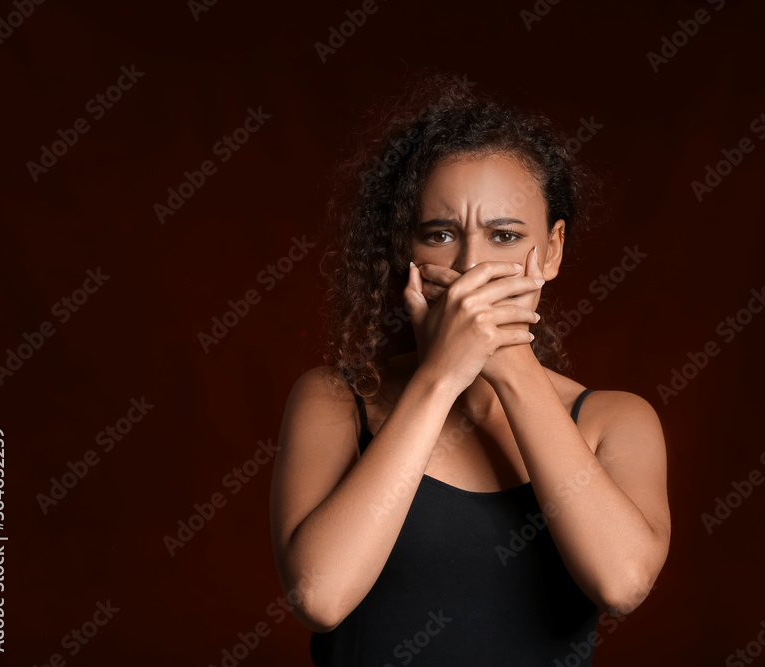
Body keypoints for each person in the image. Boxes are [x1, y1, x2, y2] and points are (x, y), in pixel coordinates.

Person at [269, 69, 670, 666]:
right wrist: (440, 379)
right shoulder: (335, 400)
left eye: (505, 236)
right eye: (440, 234)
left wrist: (509, 366)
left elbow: (622, 584)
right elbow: (319, 598)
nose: (472, 267)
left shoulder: (615, 419)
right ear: (406, 250)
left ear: (552, 251)